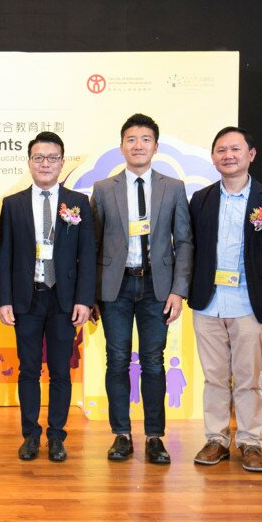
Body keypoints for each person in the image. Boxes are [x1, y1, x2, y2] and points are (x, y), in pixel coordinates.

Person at [90, 113, 193, 464]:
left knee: (153, 362)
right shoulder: (103, 190)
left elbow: (185, 241)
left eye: (145, 139)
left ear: (156, 146)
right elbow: (94, 244)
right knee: (116, 360)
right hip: (115, 287)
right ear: (121, 146)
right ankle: (121, 435)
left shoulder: (173, 187)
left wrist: (178, 290)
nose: (138, 145)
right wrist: (91, 296)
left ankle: (154, 436)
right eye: (131, 139)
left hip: (156, 286)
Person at [189, 127, 262, 472]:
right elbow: (192, 249)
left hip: (249, 304)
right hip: (208, 302)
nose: (227, 155)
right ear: (213, 157)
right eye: (220, 150)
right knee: (215, 377)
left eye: (235, 149)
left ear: (251, 154)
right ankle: (216, 440)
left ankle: (251, 442)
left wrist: (260, 286)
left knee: (249, 379)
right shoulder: (201, 199)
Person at [0, 132, 95, 462]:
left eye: (52, 158)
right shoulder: (12, 204)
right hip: (28, 297)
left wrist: (84, 299)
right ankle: (30, 435)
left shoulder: (78, 202)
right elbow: (4, 255)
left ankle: (56, 436)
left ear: (62, 163)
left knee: (61, 372)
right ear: (29, 162)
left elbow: (88, 255)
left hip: (64, 300)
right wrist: (4, 300)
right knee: (28, 370)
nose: (45, 164)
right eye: (39, 158)